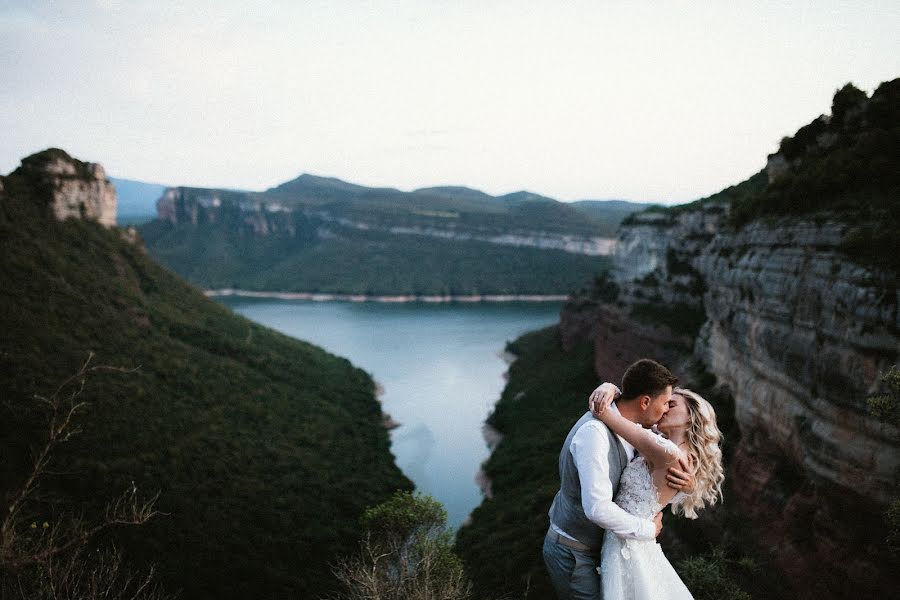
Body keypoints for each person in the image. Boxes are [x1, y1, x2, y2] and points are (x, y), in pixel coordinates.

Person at [542, 359, 695, 600]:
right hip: (574, 552)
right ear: (645, 401)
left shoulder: (637, 429)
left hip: (604, 551)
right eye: (665, 403)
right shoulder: (595, 434)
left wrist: (688, 486)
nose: (666, 410)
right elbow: (597, 508)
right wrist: (648, 529)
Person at [588, 382, 725, 600]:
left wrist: (607, 391)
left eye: (671, 404)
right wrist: (610, 387)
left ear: (690, 417)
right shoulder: (683, 456)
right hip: (638, 543)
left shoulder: (666, 450)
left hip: (625, 544)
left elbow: (608, 414)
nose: (663, 408)